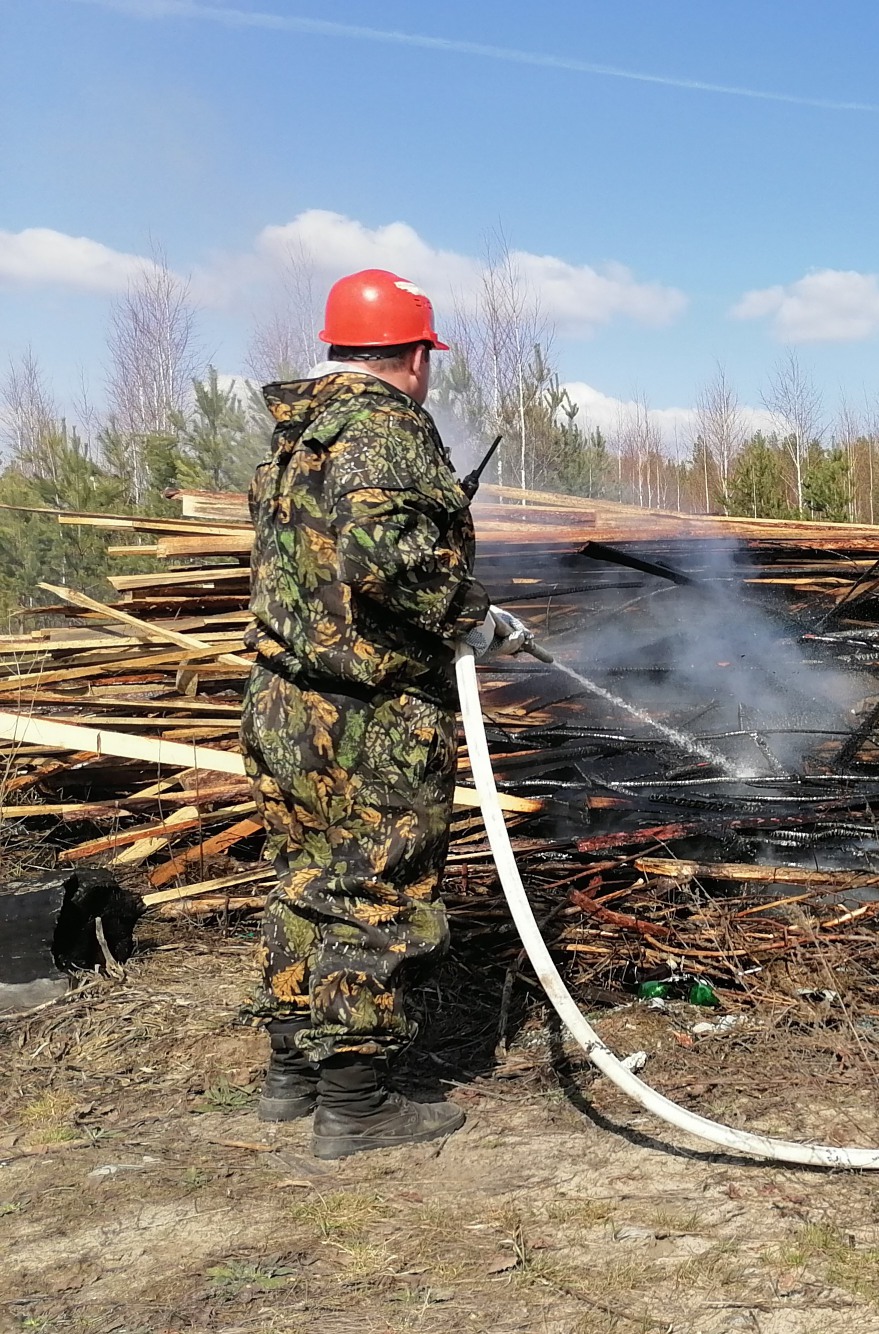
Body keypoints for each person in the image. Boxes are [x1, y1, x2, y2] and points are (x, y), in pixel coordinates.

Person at [241, 269, 534, 1158]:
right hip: (364, 715)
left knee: (305, 878)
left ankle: (293, 1074)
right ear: (412, 356)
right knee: (375, 892)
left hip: (286, 704)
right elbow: (390, 558)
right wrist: (475, 622)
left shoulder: (305, 436)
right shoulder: (381, 428)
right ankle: (356, 1101)